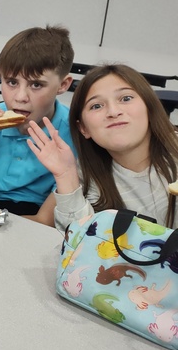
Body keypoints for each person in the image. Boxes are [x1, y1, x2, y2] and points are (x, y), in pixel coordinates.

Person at [28, 64, 178, 231]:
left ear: (149, 108)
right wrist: (65, 177)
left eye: (126, 98)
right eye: (96, 106)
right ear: (83, 128)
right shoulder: (85, 172)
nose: (113, 112)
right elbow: (79, 239)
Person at [0, 26, 75, 218]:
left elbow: (44, 222)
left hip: (35, 217)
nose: (20, 97)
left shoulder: (74, 135)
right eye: (11, 82)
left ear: (63, 85)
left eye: (36, 85)